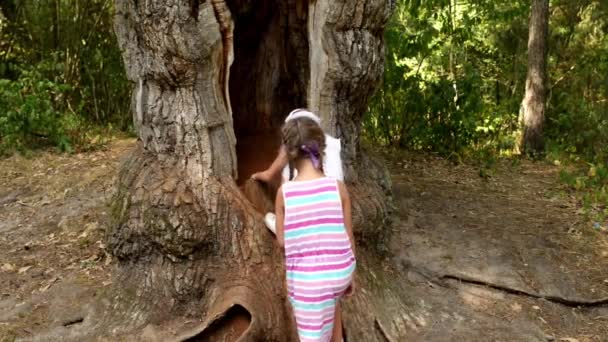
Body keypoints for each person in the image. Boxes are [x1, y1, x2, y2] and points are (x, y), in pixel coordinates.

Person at [274, 116, 356, 342]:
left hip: (310, 283)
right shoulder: (338, 187)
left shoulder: (285, 194)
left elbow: (283, 243)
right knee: (330, 301)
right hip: (341, 271)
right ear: (321, 147)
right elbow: (348, 237)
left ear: (288, 152)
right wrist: (350, 277)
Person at [252, 109, 344, 233]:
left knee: (270, 218)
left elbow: (270, 175)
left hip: (299, 227)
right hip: (332, 221)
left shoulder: (293, 149)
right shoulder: (330, 145)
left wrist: (262, 175)